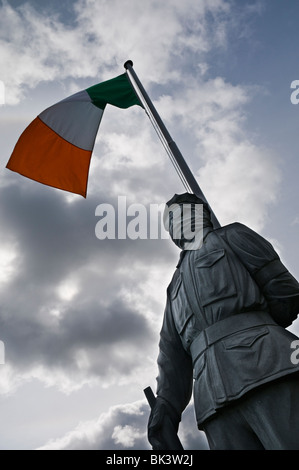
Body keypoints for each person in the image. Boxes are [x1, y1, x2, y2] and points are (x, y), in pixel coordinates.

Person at [148, 192, 299, 450]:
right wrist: (166, 406)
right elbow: (171, 356)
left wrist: (254, 328)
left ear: (202, 214)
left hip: (268, 370)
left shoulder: (233, 237)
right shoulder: (173, 289)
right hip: (213, 402)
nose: (177, 223)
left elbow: (285, 292)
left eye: (184, 213)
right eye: (170, 221)